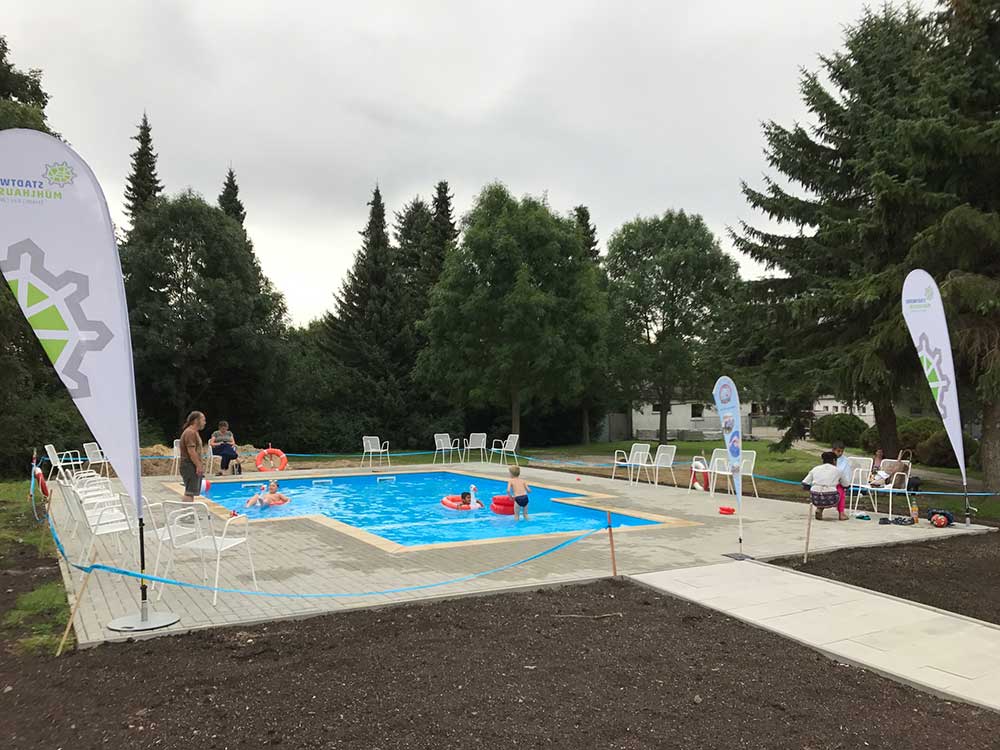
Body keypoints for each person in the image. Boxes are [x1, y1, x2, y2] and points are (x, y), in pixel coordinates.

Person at [802, 451, 848, 521]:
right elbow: (846, 485)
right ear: (834, 460)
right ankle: (841, 514)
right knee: (841, 488)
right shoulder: (838, 470)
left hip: (815, 498)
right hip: (830, 498)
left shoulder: (815, 468)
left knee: (820, 490)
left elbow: (805, 483)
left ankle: (819, 509)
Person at [179, 411, 206, 503]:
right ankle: (187, 515)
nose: (204, 422)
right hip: (189, 464)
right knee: (189, 492)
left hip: (191, 464)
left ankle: (188, 514)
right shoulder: (190, 433)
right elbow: (191, 451)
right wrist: (198, 465)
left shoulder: (194, 432)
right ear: (196, 420)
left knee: (191, 491)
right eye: (203, 420)